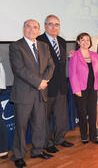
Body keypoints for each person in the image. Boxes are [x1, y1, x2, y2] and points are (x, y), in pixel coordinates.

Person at [9, 19, 55, 168]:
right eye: (28, 26)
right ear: (23, 29)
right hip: (24, 94)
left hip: (41, 92)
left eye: (35, 27)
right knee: (21, 127)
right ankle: (18, 156)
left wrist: (45, 80)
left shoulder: (44, 46)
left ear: (39, 30)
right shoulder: (16, 46)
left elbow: (51, 65)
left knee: (39, 124)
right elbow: (19, 69)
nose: (32, 29)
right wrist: (38, 82)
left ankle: (37, 150)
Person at [37, 15, 73, 154]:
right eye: (50, 24)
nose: (53, 27)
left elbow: (61, 64)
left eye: (56, 24)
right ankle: (48, 142)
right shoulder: (39, 40)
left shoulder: (62, 41)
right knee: (44, 117)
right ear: (45, 26)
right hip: (46, 86)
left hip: (61, 86)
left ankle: (60, 139)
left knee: (61, 115)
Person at [69, 33, 98, 144]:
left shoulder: (95, 55)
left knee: (93, 112)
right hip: (80, 89)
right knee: (82, 112)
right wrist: (76, 89)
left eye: (87, 40)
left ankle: (93, 136)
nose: (85, 42)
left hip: (93, 88)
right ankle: (84, 135)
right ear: (78, 42)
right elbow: (72, 74)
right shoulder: (74, 55)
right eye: (82, 40)